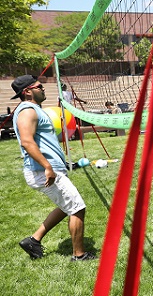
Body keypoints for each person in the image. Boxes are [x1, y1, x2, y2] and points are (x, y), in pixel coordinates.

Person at [10, 75, 96, 261]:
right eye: (39, 86)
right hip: (42, 170)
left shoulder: (34, 109)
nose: (43, 88)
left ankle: (34, 240)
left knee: (66, 206)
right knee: (77, 208)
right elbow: (26, 141)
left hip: (48, 169)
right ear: (27, 91)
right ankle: (79, 255)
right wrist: (48, 166)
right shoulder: (27, 111)